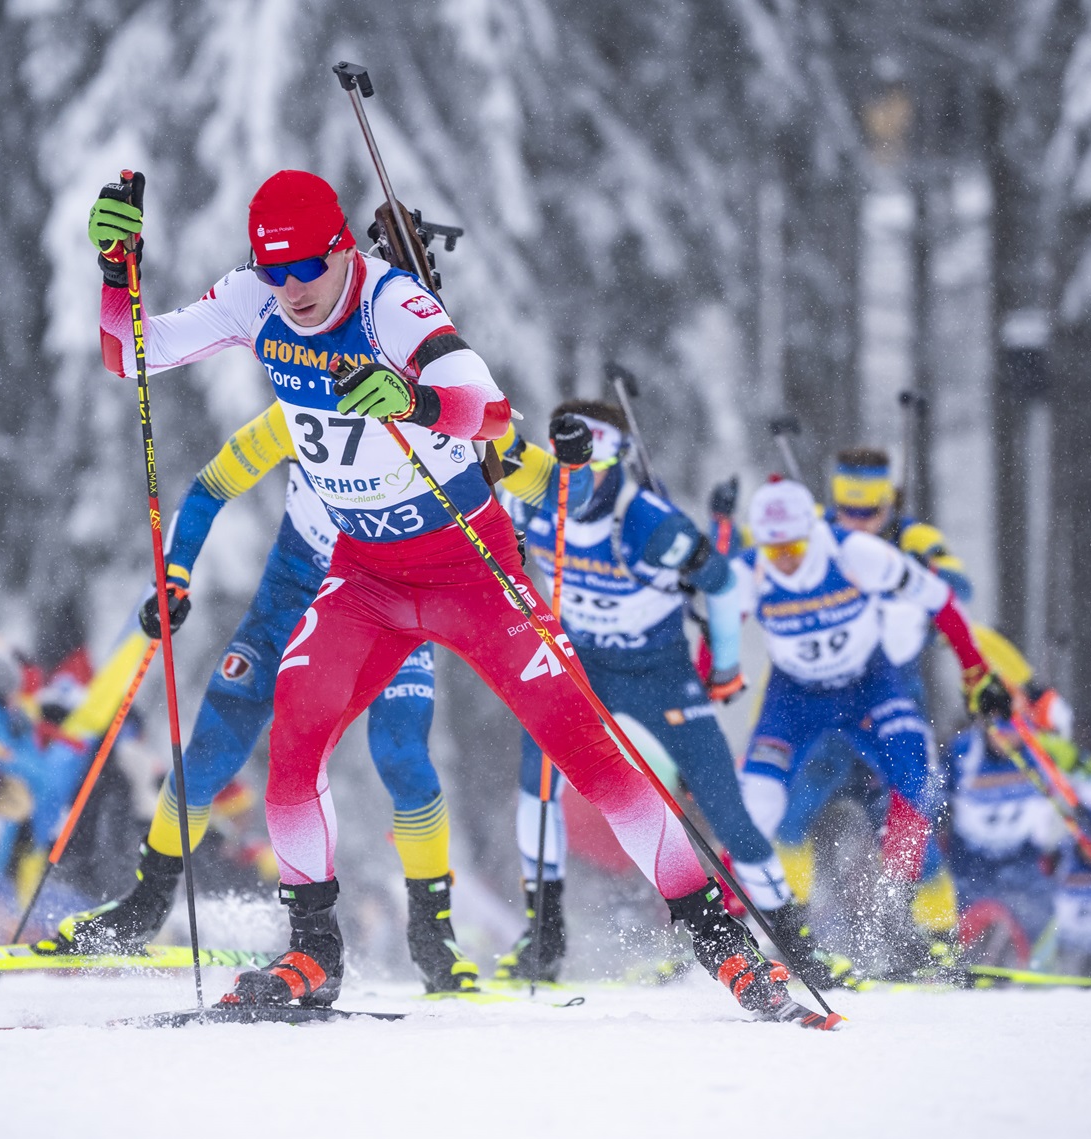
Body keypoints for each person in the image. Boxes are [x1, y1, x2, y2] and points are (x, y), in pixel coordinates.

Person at [89, 169, 818, 1021]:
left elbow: (492, 414)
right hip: (365, 577)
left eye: (305, 272)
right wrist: (116, 272)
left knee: (587, 749)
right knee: (295, 737)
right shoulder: (252, 298)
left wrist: (414, 396)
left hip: (470, 570)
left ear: (340, 251)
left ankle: (723, 945)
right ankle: (312, 954)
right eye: (272, 272)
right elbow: (128, 353)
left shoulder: (392, 305)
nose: (289, 291)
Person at [40, 400, 585, 993]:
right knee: (208, 754)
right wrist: (174, 576)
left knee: (402, 756)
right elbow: (209, 487)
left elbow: (562, 497)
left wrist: (570, 466)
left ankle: (433, 937)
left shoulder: (453, 412)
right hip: (293, 598)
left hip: (397, 607)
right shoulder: (305, 404)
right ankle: (142, 908)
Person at [496, 399, 837, 989]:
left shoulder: (650, 523)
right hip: (583, 664)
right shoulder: (529, 500)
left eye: (592, 471)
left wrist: (726, 666)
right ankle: (544, 935)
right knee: (539, 776)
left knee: (725, 808)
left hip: (659, 673)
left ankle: (792, 939)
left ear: (617, 464)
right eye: (566, 471)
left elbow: (724, 584)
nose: (577, 487)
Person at [734, 477, 1008, 977]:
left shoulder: (856, 553)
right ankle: (773, 930)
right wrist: (717, 668)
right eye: (772, 549)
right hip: (795, 696)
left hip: (867, 686)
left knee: (916, 787)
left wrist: (975, 671)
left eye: (793, 547)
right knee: (764, 807)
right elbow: (715, 617)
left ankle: (930, 932)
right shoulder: (751, 569)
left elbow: (945, 598)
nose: (785, 559)